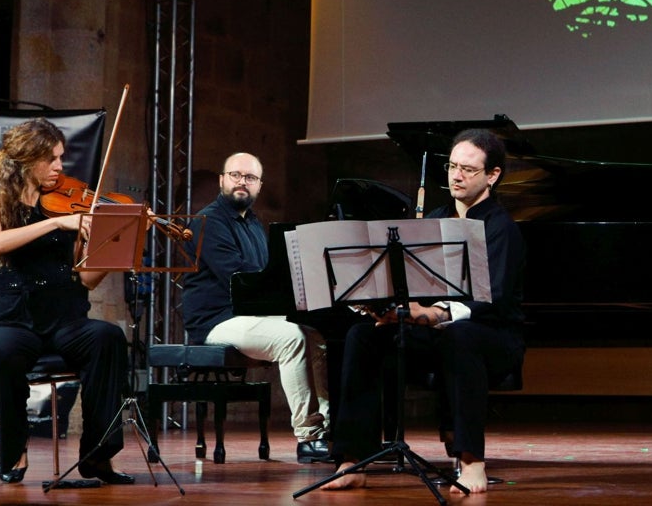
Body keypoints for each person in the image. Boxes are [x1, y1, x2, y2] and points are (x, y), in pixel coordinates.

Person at [324, 128, 527, 494]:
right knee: (363, 336)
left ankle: (471, 461)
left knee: (461, 336)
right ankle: (352, 460)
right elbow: (411, 283)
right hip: (437, 334)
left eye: (468, 169)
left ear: (492, 175)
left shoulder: (502, 228)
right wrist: (383, 304)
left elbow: (490, 301)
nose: (456, 175)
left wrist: (436, 314)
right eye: (452, 166)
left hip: (491, 336)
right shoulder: (435, 218)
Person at [0, 118, 132, 485]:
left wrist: (112, 251)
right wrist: (57, 224)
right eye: (52, 158)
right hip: (14, 316)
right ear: (26, 160)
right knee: (1, 354)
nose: (60, 166)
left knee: (108, 338)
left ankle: (97, 456)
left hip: (66, 317)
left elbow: (87, 279)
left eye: (61, 158)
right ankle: (14, 447)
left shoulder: (71, 206)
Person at [180, 152, 332, 462]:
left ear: (259, 186)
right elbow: (239, 278)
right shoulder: (207, 221)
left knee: (318, 334)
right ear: (222, 180)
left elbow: (266, 273)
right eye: (235, 175)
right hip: (216, 320)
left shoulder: (253, 224)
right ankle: (309, 436)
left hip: (248, 313)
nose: (241, 182)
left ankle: (330, 427)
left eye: (249, 178)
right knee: (292, 338)